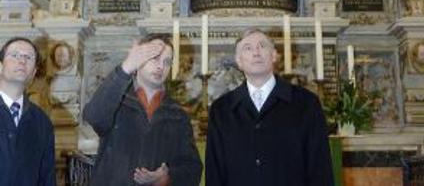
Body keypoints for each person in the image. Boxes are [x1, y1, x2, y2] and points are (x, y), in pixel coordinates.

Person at [205, 28, 334, 186]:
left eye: (262, 46)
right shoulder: (221, 110)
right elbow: (215, 173)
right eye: (248, 48)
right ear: (239, 61)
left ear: (274, 56)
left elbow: (320, 169)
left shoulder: (306, 104)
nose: (256, 52)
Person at [83, 34, 202, 186]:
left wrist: (166, 177)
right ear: (139, 58)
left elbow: (192, 168)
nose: (161, 67)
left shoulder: (178, 114)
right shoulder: (116, 99)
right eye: (155, 58)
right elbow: (94, 117)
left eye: (167, 62)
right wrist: (125, 68)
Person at [0, 37, 56, 186]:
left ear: (33, 73)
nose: (22, 61)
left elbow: (47, 178)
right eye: (15, 55)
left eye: (28, 57)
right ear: (0, 66)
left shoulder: (42, 122)